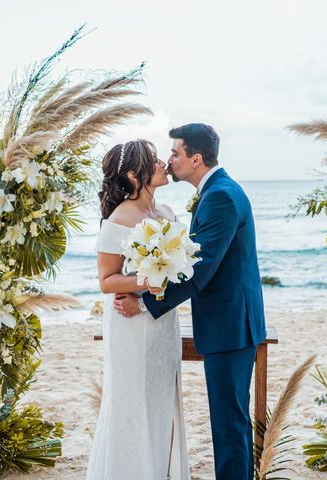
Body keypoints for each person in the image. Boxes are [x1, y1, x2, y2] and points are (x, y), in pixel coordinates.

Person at [114, 124, 267, 480]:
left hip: (230, 327)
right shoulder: (217, 190)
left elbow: (200, 271)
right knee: (233, 423)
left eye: (175, 153)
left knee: (229, 425)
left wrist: (145, 303)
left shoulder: (220, 197)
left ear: (195, 159)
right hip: (230, 324)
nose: (169, 161)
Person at [86, 139, 189, 480]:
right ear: (133, 175)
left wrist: (163, 281)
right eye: (154, 160)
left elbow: (178, 269)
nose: (163, 164)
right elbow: (107, 281)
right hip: (129, 328)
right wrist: (148, 282)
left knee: (161, 406)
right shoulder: (119, 218)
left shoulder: (168, 214)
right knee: (133, 404)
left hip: (162, 325)